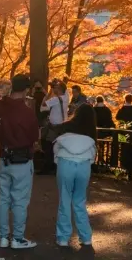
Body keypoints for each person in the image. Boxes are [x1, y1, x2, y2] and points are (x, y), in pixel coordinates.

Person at [0, 74, 39, 250]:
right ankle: (17, 238)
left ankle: (3, 237)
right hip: (22, 160)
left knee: (3, 199)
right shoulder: (26, 112)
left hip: (3, 158)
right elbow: (34, 136)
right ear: (26, 90)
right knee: (20, 200)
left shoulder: (0, 106)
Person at [53, 100, 97, 252]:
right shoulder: (90, 134)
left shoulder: (66, 130)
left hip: (66, 163)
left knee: (64, 200)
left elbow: (56, 149)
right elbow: (93, 156)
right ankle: (86, 237)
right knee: (80, 201)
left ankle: (63, 238)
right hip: (84, 165)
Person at [37, 79, 69, 175]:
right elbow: (65, 88)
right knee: (58, 147)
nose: (54, 89)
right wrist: (59, 82)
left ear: (58, 89)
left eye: (55, 87)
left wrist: (49, 92)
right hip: (63, 126)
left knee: (47, 145)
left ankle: (48, 167)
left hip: (53, 127)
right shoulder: (66, 97)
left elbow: (43, 104)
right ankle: (56, 167)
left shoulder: (55, 99)